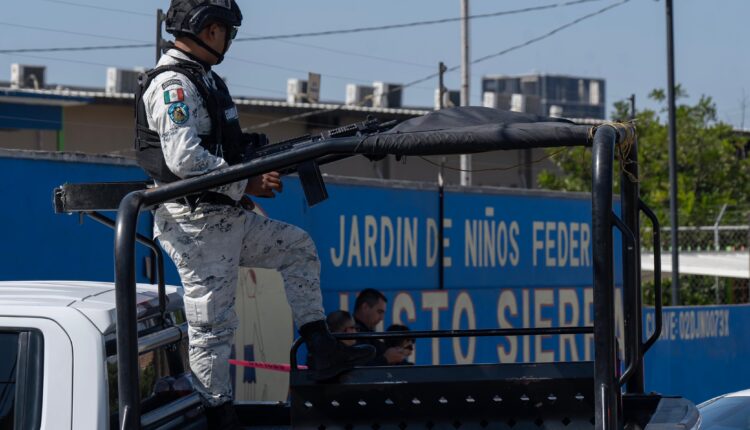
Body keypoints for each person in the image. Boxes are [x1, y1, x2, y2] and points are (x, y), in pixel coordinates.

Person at [134, 1, 374, 427]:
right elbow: (184, 158)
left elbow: (225, 147)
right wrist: (244, 183)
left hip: (222, 216)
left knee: (298, 248)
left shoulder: (203, 79)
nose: (229, 40)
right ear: (209, 30)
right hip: (196, 225)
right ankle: (218, 412)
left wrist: (253, 169)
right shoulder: (173, 84)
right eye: (227, 31)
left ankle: (320, 348)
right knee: (214, 325)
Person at [353, 288, 410, 365]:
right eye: (379, 312)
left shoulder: (368, 334)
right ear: (365, 307)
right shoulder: (349, 334)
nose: (382, 318)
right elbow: (356, 368)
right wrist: (386, 359)